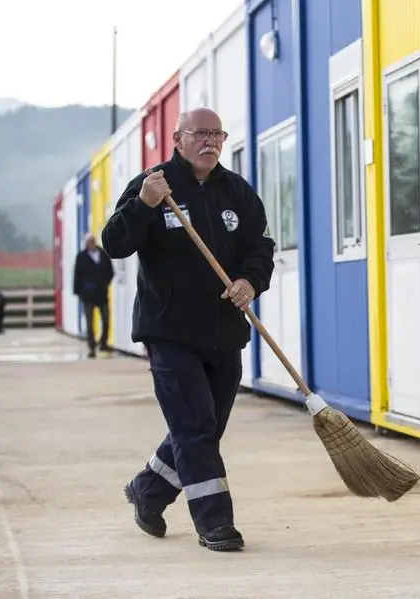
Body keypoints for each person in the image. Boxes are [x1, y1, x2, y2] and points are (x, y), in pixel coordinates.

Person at [101, 107, 275, 552]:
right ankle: (215, 522)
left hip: (225, 332)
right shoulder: (153, 185)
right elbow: (115, 243)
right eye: (200, 134)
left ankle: (148, 490)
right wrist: (144, 205)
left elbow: (260, 247)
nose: (210, 142)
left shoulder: (237, 191)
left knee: (203, 429)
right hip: (170, 331)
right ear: (178, 139)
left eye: (217, 134)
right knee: (194, 427)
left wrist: (249, 281)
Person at [72, 233, 114, 357]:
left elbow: (110, 271)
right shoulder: (81, 257)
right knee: (89, 322)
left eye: (93, 241)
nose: (91, 243)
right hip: (87, 294)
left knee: (106, 319)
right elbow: (77, 275)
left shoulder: (103, 254)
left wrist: (105, 283)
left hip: (102, 293)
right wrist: (78, 292)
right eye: (89, 241)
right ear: (86, 243)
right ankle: (91, 346)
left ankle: (103, 342)